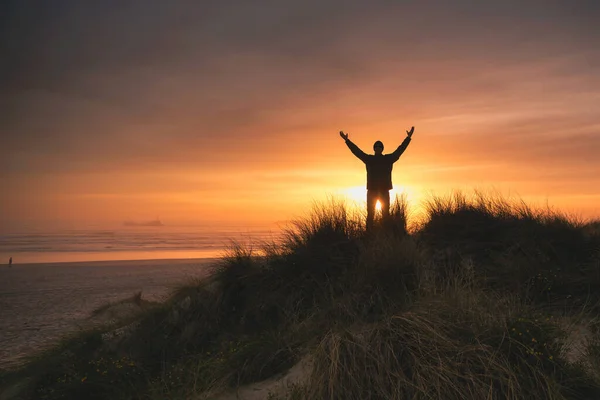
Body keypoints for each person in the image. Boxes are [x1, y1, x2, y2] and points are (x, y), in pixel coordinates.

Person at [340, 127, 414, 229]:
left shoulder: (388, 159)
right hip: (372, 191)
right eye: (376, 146)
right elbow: (357, 152)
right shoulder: (369, 159)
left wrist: (408, 138)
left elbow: (400, 150)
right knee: (370, 215)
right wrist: (347, 141)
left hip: (384, 191)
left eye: (380, 146)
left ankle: (385, 236)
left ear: (382, 148)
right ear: (374, 149)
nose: (378, 148)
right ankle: (369, 236)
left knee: (385, 215)